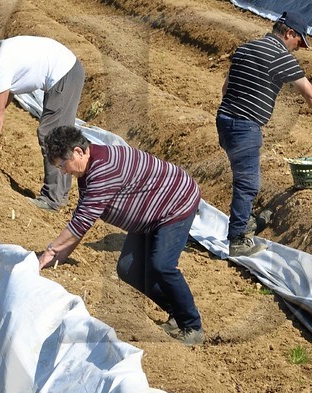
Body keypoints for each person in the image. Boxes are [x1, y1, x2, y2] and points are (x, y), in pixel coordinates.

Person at [36, 127, 205, 347]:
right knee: (128, 268)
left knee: (162, 265)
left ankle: (192, 325)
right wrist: (60, 256)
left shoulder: (103, 169)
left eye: (62, 165)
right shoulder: (88, 171)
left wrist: (51, 251)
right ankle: (177, 313)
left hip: (176, 203)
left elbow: (81, 222)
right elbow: (83, 218)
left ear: (78, 151)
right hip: (149, 214)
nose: (63, 171)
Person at [216, 12, 312, 257]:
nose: (299, 48)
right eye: (299, 42)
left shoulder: (246, 48)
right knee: (248, 183)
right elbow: (310, 94)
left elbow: (226, 87)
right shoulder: (280, 57)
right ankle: (239, 239)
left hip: (224, 119)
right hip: (245, 125)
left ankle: (243, 221)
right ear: (289, 34)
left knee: (242, 175)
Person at [0, 36, 85, 211]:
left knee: (50, 135)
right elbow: (5, 97)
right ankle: (60, 195)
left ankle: (52, 199)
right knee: (58, 135)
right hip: (66, 71)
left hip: (64, 74)